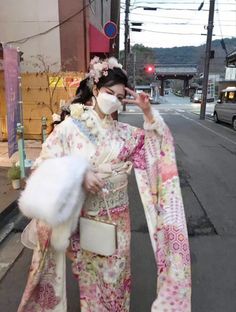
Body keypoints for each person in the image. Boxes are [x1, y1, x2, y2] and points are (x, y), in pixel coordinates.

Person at [18, 57, 191, 312]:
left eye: (120, 97)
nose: (114, 100)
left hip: (119, 223)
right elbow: (44, 164)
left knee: (118, 283)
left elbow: (158, 146)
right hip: (87, 220)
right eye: (110, 92)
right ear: (96, 89)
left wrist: (148, 113)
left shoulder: (124, 133)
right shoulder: (70, 127)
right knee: (91, 287)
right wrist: (79, 173)